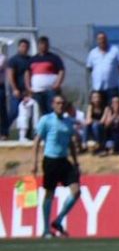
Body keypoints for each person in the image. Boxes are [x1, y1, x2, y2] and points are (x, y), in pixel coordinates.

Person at [32, 95, 81, 238]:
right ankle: (46, 229)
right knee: (49, 193)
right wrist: (34, 162)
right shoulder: (46, 120)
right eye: (58, 103)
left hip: (64, 160)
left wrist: (76, 162)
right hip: (51, 160)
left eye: (62, 103)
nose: (60, 105)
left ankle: (58, 220)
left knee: (76, 191)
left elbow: (71, 142)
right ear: (53, 105)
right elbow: (37, 141)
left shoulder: (68, 121)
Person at [85, 32, 119, 101]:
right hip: (97, 88)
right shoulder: (92, 53)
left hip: (112, 87)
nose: (102, 41)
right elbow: (89, 67)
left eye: (103, 38)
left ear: (106, 39)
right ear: (97, 41)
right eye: (99, 39)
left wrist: (114, 73)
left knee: (114, 106)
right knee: (97, 107)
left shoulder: (115, 51)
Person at [29, 37, 66, 115]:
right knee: (41, 111)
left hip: (50, 90)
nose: (43, 46)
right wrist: (28, 87)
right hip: (37, 90)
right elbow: (27, 73)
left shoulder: (54, 58)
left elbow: (61, 71)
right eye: (41, 44)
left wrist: (57, 84)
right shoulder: (32, 59)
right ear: (38, 45)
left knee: (52, 110)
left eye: (45, 45)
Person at [7, 38, 33, 135]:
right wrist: (14, 89)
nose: (24, 48)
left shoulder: (31, 60)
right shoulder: (13, 60)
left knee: (29, 113)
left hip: (28, 91)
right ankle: (3, 131)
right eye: (22, 46)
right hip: (17, 90)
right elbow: (10, 75)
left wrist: (30, 90)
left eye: (26, 47)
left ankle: (28, 134)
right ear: (18, 47)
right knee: (14, 111)